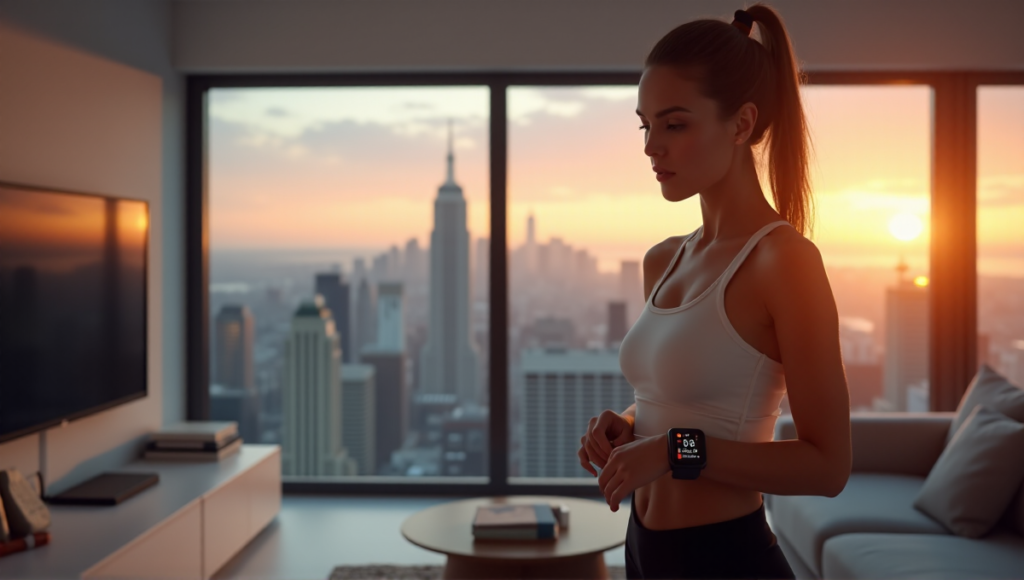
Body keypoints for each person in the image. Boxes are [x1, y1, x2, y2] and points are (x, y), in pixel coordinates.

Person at [577, 5, 852, 579]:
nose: (652, 147)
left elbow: (827, 468)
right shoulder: (664, 260)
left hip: (726, 560)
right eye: (645, 125)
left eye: (674, 124)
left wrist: (672, 450)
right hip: (642, 549)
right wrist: (629, 428)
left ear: (742, 124)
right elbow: (688, 402)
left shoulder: (785, 263)